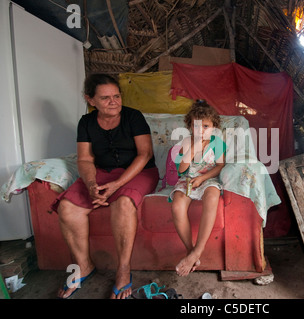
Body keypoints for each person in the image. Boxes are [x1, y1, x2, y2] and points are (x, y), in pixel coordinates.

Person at [51, 74, 159, 299]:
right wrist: (91, 185)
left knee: (123, 203)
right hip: (101, 173)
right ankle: (84, 266)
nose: (114, 102)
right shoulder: (86, 123)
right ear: (90, 100)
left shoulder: (133, 117)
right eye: (105, 98)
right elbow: (84, 160)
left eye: (116, 96)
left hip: (138, 172)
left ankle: (123, 271)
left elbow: (145, 154)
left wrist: (116, 186)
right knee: (67, 208)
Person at [169, 100, 226, 276]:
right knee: (177, 206)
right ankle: (190, 250)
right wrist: (193, 149)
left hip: (208, 179)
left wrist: (203, 178)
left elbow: (220, 166)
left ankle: (198, 250)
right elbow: (182, 169)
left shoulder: (217, 143)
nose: (201, 131)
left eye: (206, 126)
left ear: (214, 127)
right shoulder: (186, 142)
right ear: (189, 127)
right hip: (188, 179)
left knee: (212, 196)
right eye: (196, 126)